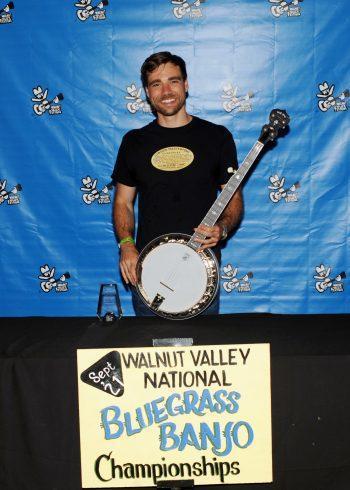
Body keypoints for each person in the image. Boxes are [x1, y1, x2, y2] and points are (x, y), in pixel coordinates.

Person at [112, 51, 243, 315]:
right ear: (148, 93)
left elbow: (233, 197)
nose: (166, 91)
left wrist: (223, 229)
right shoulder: (134, 142)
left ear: (186, 84)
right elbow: (123, 202)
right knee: (150, 352)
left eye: (173, 81)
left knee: (203, 351)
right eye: (156, 84)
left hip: (202, 270)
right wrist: (126, 245)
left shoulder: (216, 137)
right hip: (148, 271)